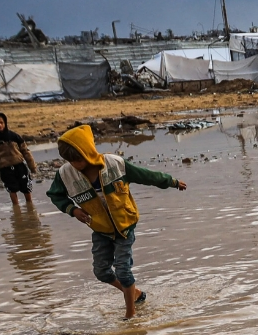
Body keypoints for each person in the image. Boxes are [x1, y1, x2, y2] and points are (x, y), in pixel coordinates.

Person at [46, 124, 186, 320]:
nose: (75, 164)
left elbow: (146, 176)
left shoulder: (114, 164)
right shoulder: (65, 174)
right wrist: (73, 210)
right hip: (100, 227)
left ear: (88, 151)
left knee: (123, 270)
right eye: (70, 161)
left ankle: (131, 314)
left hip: (124, 225)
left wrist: (171, 181)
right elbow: (55, 195)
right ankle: (134, 293)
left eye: (78, 159)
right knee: (101, 271)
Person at [0, 111, 38, 208]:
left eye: (1, 122)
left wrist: (32, 166)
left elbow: (25, 151)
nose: (0, 125)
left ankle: (30, 206)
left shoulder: (14, 136)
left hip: (19, 165)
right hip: (5, 169)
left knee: (26, 186)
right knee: (12, 188)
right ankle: (16, 206)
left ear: (5, 122)